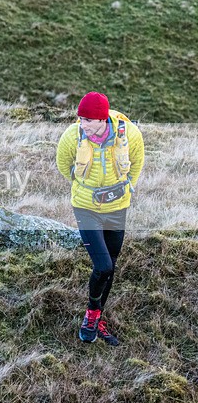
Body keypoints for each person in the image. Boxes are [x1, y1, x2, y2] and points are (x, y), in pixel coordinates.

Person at [56, 91, 144, 346]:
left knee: (111, 264)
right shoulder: (72, 136)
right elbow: (64, 166)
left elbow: (137, 163)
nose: (83, 125)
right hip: (86, 207)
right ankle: (90, 316)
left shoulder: (130, 135)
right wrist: (85, 187)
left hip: (118, 206)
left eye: (88, 121)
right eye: (80, 119)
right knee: (103, 266)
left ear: (103, 119)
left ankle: (96, 315)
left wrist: (126, 188)